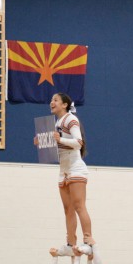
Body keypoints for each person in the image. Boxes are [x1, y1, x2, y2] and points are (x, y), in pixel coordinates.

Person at [35, 92, 92, 251]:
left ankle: (88, 239)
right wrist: (42, 143)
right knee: (68, 209)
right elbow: (56, 147)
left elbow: (78, 143)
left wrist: (59, 139)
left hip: (75, 167)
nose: (51, 102)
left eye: (55, 100)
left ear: (65, 104)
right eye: (51, 100)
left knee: (79, 206)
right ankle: (71, 242)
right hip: (63, 169)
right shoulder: (57, 123)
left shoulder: (70, 119)